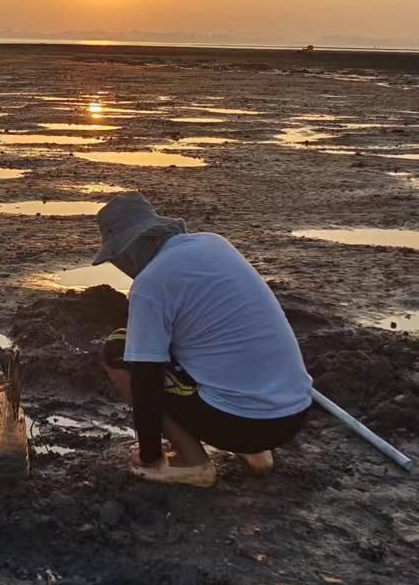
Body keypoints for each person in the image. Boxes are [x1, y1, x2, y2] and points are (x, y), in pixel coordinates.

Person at [95, 192, 312, 488]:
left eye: (118, 257)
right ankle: (256, 454)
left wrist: (150, 455)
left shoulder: (151, 284)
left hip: (243, 424)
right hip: (293, 414)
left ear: (136, 245)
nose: (122, 267)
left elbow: (145, 381)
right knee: (201, 343)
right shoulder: (213, 243)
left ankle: (192, 463)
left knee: (118, 351)